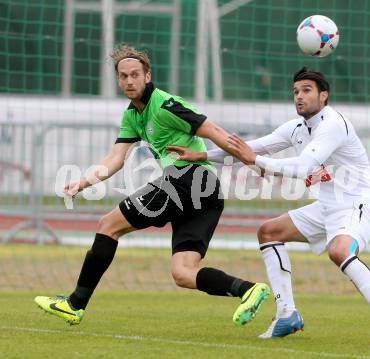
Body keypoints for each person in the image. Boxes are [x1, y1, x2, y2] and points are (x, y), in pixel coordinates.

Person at [169, 67, 370, 344]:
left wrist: (254, 161)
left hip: (360, 203)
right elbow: (251, 148)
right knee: (269, 231)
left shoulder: (333, 124)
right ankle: (286, 314)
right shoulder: (296, 128)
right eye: (296, 91)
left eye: (307, 90)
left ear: (324, 96)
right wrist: (200, 154)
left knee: (340, 250)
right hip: (328, 205)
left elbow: (301, 166)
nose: (299, 96)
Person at [34, 45, 270, 327]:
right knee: (183, 273)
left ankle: (74, 304)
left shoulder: (166, 105)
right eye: (124, 76)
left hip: (189, 179)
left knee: (109, 224)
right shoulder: (132, 116)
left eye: (135, 74)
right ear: (118, 80)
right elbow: (116, 158)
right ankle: (248, 289)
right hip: (207, 193)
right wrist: (85, 181)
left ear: (148, 75)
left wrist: (252, 161)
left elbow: (214, 131)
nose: (129, 81)